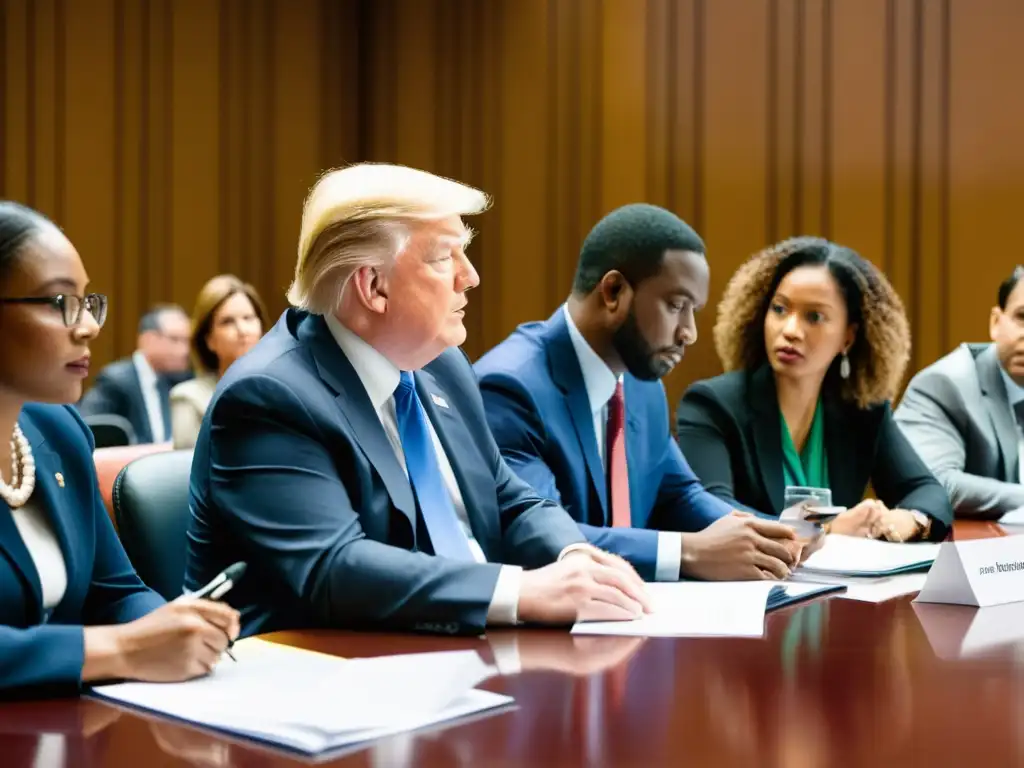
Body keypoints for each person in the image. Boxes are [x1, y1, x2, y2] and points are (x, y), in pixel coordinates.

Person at [184, 163, 652, 637]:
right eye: (445, 257)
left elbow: (509, 499)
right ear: (374, 286)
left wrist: (571, 555)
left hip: (450, 653)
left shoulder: (441, 365)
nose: (470, 277)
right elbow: (334, 567)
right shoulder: (269, 397)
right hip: (313, 672)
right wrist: (521, 593)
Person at [475, 204, 804, 582]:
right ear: (613, 291)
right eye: (677, 306)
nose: (689, 332)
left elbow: (679, 495)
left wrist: (777, 535)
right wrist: (689, 552)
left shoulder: (642, 384)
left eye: (693, 310)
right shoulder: (509, 387)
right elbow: (543, 536)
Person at [0, 202, 239, 694]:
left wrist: (174, 628)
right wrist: (124, 650)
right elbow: (120, 640)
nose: (88, 326)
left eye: (88, 301)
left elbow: (118, 592)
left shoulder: (60, 431)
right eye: (58, 301)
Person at [676, 237, 952, 541]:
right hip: (748, 581)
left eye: (814, 317)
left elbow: (927, 491)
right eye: (779, 309)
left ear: (848, 336)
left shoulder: (863, 409)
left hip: (841, 585)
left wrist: (910, 519)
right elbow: (711, 509)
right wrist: (824, 527)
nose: (790, 330)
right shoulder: (713, 404)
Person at [895, 267, 1024, 518]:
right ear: (996, 322)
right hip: (963, 552)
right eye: (1022, 317)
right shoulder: (945, 384)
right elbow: (935, 484)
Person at [170, 275, 267, 449]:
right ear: (209, 340)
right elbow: (186, 471)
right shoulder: (189, 398)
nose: (243, 330)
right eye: (228, 322)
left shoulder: (284, 391)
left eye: (249, 318)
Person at [78, 303, 192, 443]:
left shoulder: (183, 380)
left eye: (188, 341)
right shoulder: (115, 380)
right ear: (148, 339)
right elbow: (88, 427)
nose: (185, 350)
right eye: (175, 340)